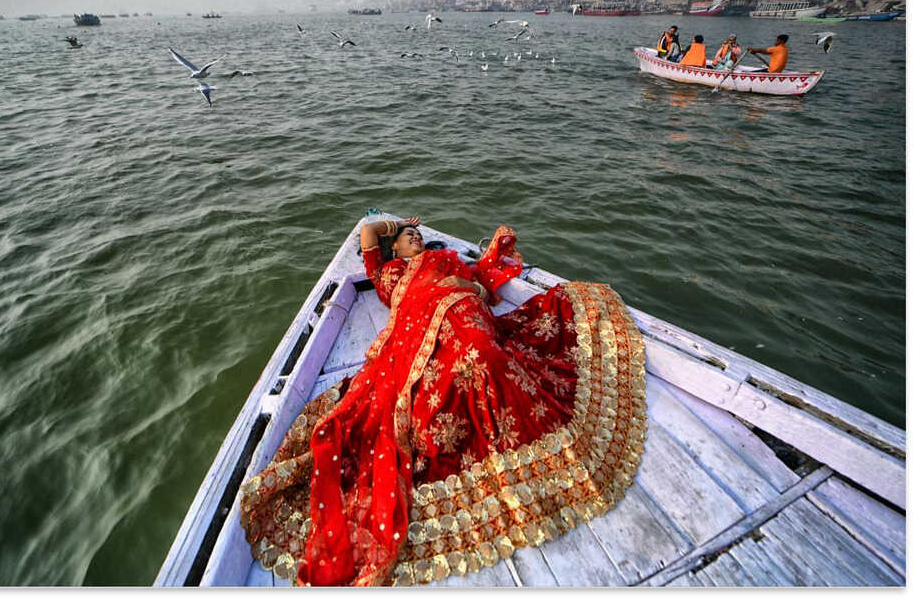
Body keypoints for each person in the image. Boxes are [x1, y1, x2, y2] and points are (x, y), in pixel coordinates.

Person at [239, 217, 648, 586]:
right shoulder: (388, 273)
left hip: (466, 312)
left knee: (488, 357)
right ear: (394, 250)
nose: (415, 240)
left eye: (419, 236)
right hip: (417, 333)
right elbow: (366, 233)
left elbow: (483, 284)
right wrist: (397, 224)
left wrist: (480, 269)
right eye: (407, 239)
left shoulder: (451, 260)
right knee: (448, 387)